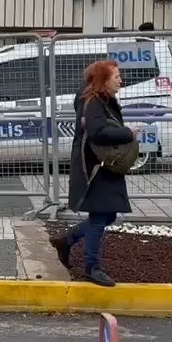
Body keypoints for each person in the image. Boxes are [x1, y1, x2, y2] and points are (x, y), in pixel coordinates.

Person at [50, 59, 135, 288]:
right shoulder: (93, 101)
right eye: (116, 76)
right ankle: (92, 267)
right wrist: (127, 133)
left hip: (101, 165)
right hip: (95, 167)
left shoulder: (99, 98)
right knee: (101, 216)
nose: (120, 80)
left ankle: (66, 241)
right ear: (103, 80)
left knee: (107, 215)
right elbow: (98, 133)